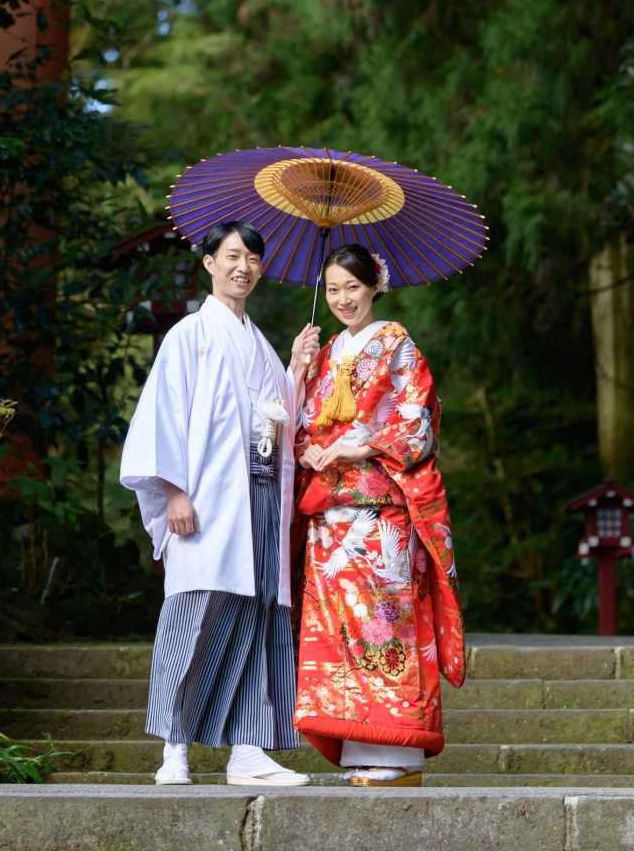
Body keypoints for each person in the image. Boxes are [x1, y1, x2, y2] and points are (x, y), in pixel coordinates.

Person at [119, 221, 313, 786]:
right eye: (232, 256)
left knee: (256, 618)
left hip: (260, 498)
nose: (243, 267)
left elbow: (279, 419)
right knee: (196, 615)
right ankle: (174, 749)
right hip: (206, 498)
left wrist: (296, 367)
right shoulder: (189, 335)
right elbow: (162, 415)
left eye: (253, 257)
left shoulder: (260, 343)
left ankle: (248, 750)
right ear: (209, 263)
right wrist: (174, 489)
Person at [289, 243, 465, 787]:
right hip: (328, 513)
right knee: (338, 635)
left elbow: (417, 425)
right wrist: (308, 440)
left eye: (353, 288)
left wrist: (352, 447)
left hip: (379, 512)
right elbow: (300, 423)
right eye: (333, 289)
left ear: (375, 287)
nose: (343, 299)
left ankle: (401, 752)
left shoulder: (396, 344)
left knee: (384, 628)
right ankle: (363, 748)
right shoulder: (323, 351)